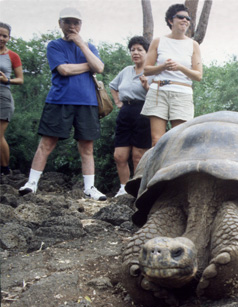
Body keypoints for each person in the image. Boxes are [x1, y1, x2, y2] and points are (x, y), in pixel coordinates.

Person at [19, 8, 106, 200]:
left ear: (81, 25)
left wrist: (81, 44)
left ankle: (89, 188)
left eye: (76, 23)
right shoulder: (54, 46)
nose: (72, 26)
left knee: (87, 146)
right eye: (68, 22)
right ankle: (31, 183)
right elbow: (64, 70)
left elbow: (99, 67)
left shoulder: (89, 47)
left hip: (88, 102)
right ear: (60, 24)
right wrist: (88, 66)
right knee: (47, 143)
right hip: (60, 101)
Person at [141, 3, 203, 146]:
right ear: (170, 20)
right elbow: (147, 70)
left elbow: (198, 75)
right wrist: (163, 66)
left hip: (182, 93)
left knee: (178, 140)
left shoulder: (193, 45)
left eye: (188, 19)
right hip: (159, 91)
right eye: (181, 17)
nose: (185, 21)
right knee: (157, 140)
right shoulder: (158, 41)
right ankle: (157, 169)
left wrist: (180, 67)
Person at [109, 36, 152, 197]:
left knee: (138, 156)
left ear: (147, 52)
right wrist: (117, 102)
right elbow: (113, 86)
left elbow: (157, 96)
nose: (135, 52)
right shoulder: (126, 71)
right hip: (125, 111)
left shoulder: (151, 71)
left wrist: (146, 86)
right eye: (133, 49)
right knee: (119, 155)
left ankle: (139, 191)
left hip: (143, 111)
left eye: (139, 49)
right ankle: (123, 188)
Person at [0, 22, 24, 176]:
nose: (1, 38)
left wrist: (6, 80)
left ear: (9, 38)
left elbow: (20, 79)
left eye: (4, 35)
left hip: (3, 97)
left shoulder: (12, 56)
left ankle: (5, 169)